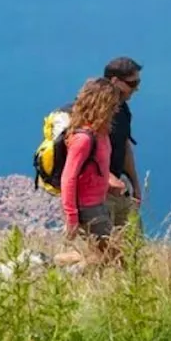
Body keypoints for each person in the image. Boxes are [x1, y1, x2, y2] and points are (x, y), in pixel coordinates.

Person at [59, 77, 124, 254]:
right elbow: (68, 178)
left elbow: (94, 168)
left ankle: (60, 267)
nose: (116, 109)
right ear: (101, 106)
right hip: (87, 208)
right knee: (115, 257)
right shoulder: (83, 139)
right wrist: (71, 217)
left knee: (102, 257)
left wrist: (108, 184)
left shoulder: (101, 133)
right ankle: (54, 265)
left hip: (99, 203)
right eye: (112, 105)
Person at [104, 57, 143, 229]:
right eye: (132, 83)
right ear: (115, 81)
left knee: (132, 239)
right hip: (96, 192)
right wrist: (108, 177)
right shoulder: (93, 112)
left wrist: (135, 184)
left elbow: (124, 146)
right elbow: (82, 153)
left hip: (119, 188)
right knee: (101, 249)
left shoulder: (122, 109)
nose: (136, 88)